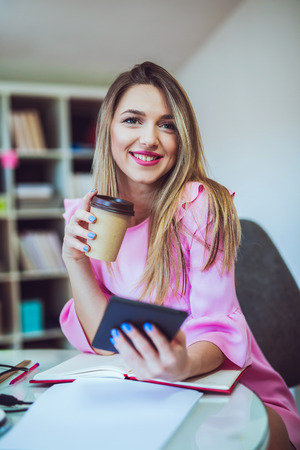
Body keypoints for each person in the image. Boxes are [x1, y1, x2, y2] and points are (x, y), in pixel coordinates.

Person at [60, 61, 300, 449]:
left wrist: (183, 365)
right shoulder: (89, 216)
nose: (150, 138)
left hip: (233, 394)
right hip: (152, 392)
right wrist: (76, 261)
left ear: (182, 138)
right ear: (109, 129)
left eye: (167, 125)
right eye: (133, 120)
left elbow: (217, 325)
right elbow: (105, 341)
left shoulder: (199, 206)